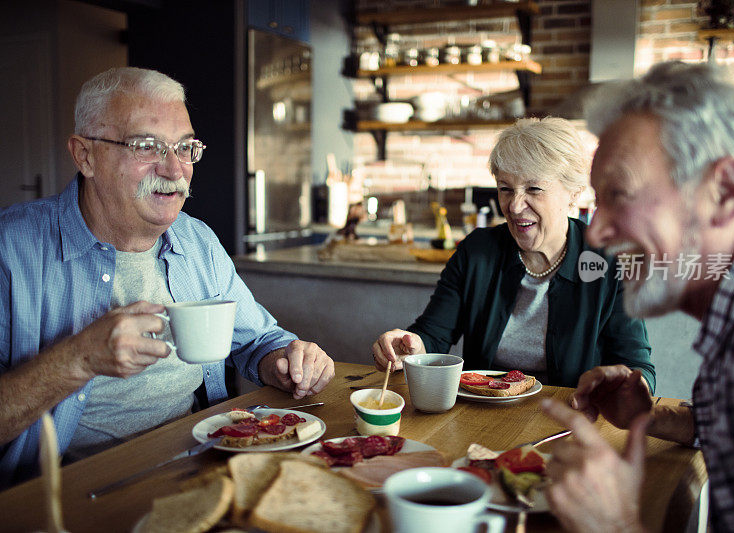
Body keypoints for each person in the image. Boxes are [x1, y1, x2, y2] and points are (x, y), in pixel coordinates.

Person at [0, 67, 334, 488]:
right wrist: (78, 359)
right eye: (146, 146)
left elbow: (256, 340)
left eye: (185, 148)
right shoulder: (10, 250)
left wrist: (286, 361)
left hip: (201, 468)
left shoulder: (197, 241)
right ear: (85, 156)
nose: (175, 170)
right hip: (66, 495)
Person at [541, 61, 734, 532]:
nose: (595, 233)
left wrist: (616, 524)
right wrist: (652, 415)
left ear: (724, 191)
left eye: (619, 194)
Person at [371, 117, 655, 391]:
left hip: (570, 419)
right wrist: (409, 346)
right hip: (484, 414)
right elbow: (433, 336)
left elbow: (635, 366)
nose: (515, 206)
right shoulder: (477, 251)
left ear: (574, 193)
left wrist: (628, 389)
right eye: (505, 189)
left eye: (534, 189)